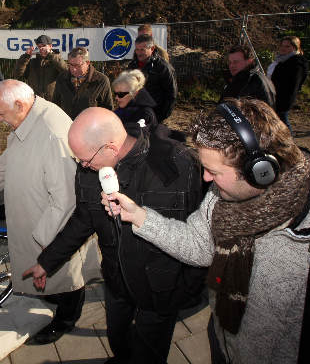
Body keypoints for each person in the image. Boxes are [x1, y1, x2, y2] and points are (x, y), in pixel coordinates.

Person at [102, 98, 310, 364]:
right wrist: (139, 216)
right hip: (225, 344)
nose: (206, 179)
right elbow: (200, 246)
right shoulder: (223, 194)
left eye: (214, 171)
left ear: (260, 171)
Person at [23, 107, 205, 363]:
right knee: (118, 339)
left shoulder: (176, 165)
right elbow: (83, 220)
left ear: (110, 147)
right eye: (79, 160)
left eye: (86, 160)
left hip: (161, 289)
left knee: (148, 354)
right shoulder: (89, 168)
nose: (83, 166)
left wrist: (189, 288)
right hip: (117, 281)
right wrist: (47, 261)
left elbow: (199, 234)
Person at [0, 80, 101, 345]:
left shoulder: (51, 134)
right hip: (36, 212)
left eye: (0, 113)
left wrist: (44, 242)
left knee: (66, 275)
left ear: (21, 104)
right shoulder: (27, 119)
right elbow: (9, 160)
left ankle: (66, 320)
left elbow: (67, 199)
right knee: (50, 275)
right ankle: (54, 296)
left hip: (51, 226)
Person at [127, 34, 177, 122]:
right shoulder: (132, 66)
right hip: (135, 115)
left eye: (142, 49)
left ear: (152, 48)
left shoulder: (163, 68)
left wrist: (160, 117)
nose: (139, 53)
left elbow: (171, 94)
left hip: (155, 116)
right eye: (137, 49)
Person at [52, 47, 113, 119]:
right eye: (71, 65)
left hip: (90, 127)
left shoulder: (101, 80)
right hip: (66, 126)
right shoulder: (62, 78)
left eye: (78, 65)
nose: (74, 69)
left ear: (87, 63)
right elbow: (55, 104)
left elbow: (108, 110)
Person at [266, 36, 308, 133]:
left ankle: (290, 142)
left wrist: (282, 98)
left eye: (287, 46)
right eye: (282, 46)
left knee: (282, 120)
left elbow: (293, 84)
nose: (283, 48)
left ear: (295, 48)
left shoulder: (296, 63)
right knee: (277, 121)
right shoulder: (281, 60)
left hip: (282, 98)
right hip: (273, 95)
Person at [12, 34, 67, 101]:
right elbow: (18, 75)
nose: (41, 48)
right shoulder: (32, 61)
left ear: (50, 46)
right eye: (39, 46)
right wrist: (25, 57)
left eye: (44, 46)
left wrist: (50, 55)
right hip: (35, 101)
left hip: (53, 102)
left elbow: (66, 71)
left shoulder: (56, 60)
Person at [220, 44, 276, 109]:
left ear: (249, 61)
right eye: (229, 62)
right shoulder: (242, 78)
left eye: (236, 62)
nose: (231, 66)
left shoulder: (253, 81)